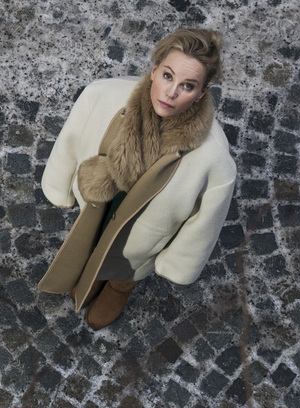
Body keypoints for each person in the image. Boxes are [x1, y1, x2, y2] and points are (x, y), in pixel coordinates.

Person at [37, 28, 237, 328]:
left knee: (127, 263)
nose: (171, 92)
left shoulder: (216, 161)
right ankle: (92, 268)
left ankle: (120, 287)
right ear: (155, 70)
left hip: (141, 243)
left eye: (188, 85)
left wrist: (177, 264)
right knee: (94, 240)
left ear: (202, 93)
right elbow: (72, 139)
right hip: (97, 211)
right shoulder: (101, 94)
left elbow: (204, 223)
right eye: (168, 76)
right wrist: (59, 184)